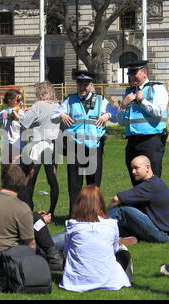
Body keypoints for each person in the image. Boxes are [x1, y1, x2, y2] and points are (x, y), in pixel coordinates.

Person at [0, 164, 63, 282]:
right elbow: (30, 248)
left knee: (35, 218)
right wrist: (36, 221)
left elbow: (3, 221)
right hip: (3, 266)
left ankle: (54, 256)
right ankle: (55, 258)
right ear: (25, 180)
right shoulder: (21, 208)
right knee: (40, 224)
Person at [51, 70, 118, 214]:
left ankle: (93, 214)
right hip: (74, 146)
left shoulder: (101, 100)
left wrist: (108, 114)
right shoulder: (70, 100)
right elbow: (53, 116)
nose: (83, 87)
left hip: (94, 147)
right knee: (74, 184)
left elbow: (117, 115)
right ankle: (74, 216)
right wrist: (61, 114)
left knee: (93, 183)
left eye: (86, 84)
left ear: (92, 85)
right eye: (80, 84)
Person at [59, 185, 132, 292]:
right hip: (107, 280)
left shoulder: (73, 225)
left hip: (76, 281)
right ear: (100, 203)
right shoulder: (111, 224)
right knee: (124, 253)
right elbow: (114, 249)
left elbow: (66, 251)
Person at [116, 60, 169, 186]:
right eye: (130, 74)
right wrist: (123, 105)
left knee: (152, 181)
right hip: (132, 142)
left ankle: (153, 206)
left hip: (151, 141)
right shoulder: (129, 92)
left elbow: (159, 112)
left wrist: (141, 101)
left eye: (135, 73)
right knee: (136, 182)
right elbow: (121, 122)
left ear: (145, 73)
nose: (131, 77)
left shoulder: (157, 88)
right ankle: (139, 206)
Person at [107, 155, 169, 244]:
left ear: (147, 167)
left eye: (136, 168)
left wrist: (103, 214)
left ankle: (94, 225)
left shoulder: (149, 186)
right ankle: (130, 238)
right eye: (132, 168)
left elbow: (116, 199)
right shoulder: (154, 181)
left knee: (122, 209)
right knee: (123, 220)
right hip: (161, 232)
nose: (133, 172)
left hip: (163, 235)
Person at [19, 81, 60, 216]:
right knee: (52, 180)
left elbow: (24, 123)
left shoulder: (38, 105)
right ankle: (52, 212)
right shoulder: (58, 106)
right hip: (54, 144)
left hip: (39, 143)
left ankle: (28, 211)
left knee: (30, 179)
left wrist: (24, 113)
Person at [0, 89, 26, 166]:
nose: (20, 102)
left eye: (20, 100)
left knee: (18, 171)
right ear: (9, 100)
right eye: (18, 100)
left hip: (19, 145)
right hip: (7, 145)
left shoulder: (21, 111)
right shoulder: (4, 112)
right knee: (6, 171)